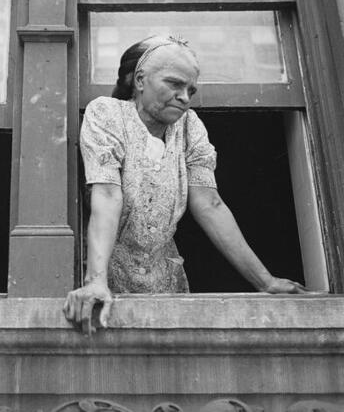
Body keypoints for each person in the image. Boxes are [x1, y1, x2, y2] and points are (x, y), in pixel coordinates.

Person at [64, 35, 306, 334]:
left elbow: (210, 204)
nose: (184, 97)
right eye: (174, 84)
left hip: (166, 288)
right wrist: (96, 281)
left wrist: (266, 282)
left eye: (190, 90)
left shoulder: (190, 126)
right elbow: (107, 193)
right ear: (140, 80)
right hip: (103, 290)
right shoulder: (106, 114)